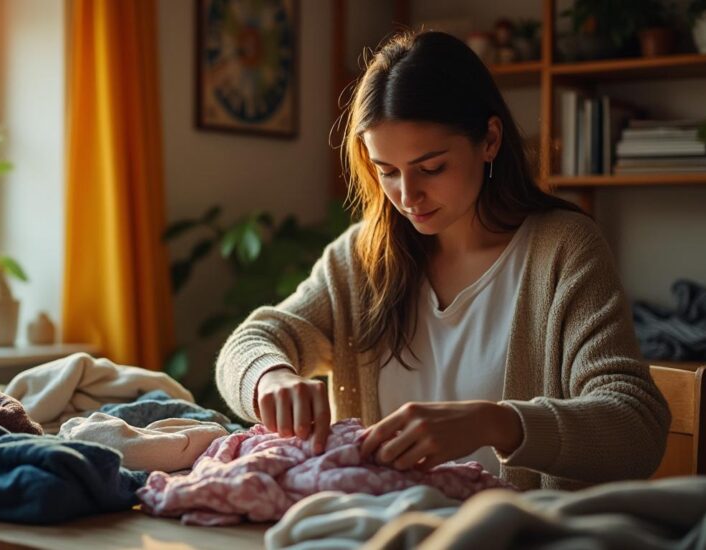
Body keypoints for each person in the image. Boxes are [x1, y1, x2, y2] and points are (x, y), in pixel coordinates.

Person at [214, 29, 669, 491]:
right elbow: (252, 341)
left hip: (518, 536)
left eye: (431, 168)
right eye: (386, 171)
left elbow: (637, 428)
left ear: (489, 140)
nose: (408, 196)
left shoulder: (563, 250)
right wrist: (269, 378)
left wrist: (495, 423)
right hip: (382, 532)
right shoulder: (363, 258)